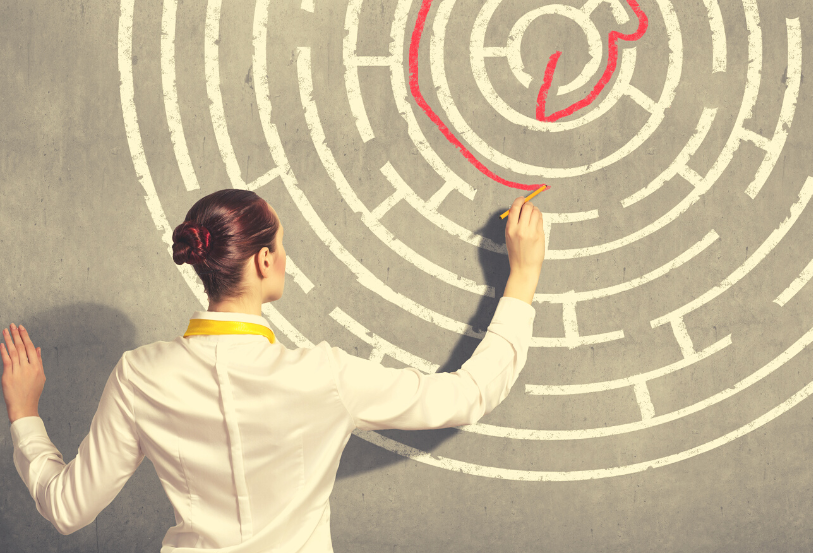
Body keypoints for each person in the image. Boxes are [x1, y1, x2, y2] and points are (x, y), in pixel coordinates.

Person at [3, 188, 544, 551]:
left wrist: (25, 414)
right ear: (263, 261)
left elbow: (68, 508)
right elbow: (467, 396)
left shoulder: (140, 374)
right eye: (282, 246)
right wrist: (522, 275)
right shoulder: (325, 376)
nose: (284, 257)